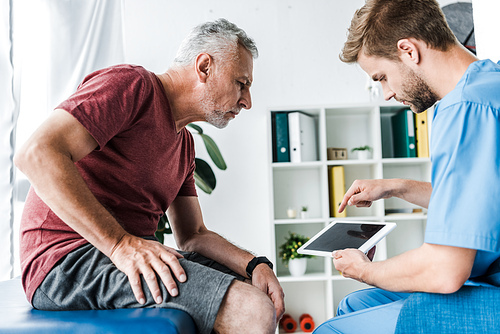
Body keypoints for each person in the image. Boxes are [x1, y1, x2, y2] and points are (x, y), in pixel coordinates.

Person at [15, 18, 284, 334]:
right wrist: (120, 245)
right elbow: (37, 153)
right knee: (250, 310)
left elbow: (193, 233)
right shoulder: (133, 86)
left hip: (118, 257)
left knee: (253, 290)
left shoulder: (184, 145)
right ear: (205, 67)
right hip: (66, 261)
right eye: (241, 83)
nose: (247, 102)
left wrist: (255, 264)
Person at [313, 0, 500, 333]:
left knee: (331, 329)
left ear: (408, 51)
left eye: (382, 77)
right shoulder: (483, 84)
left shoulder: (467, 110)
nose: (385, 93)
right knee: (354, 305)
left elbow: (445, 270)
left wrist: (364, 270)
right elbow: (477, 200)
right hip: (488, 272)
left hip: (491, 290)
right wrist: (395, 187)